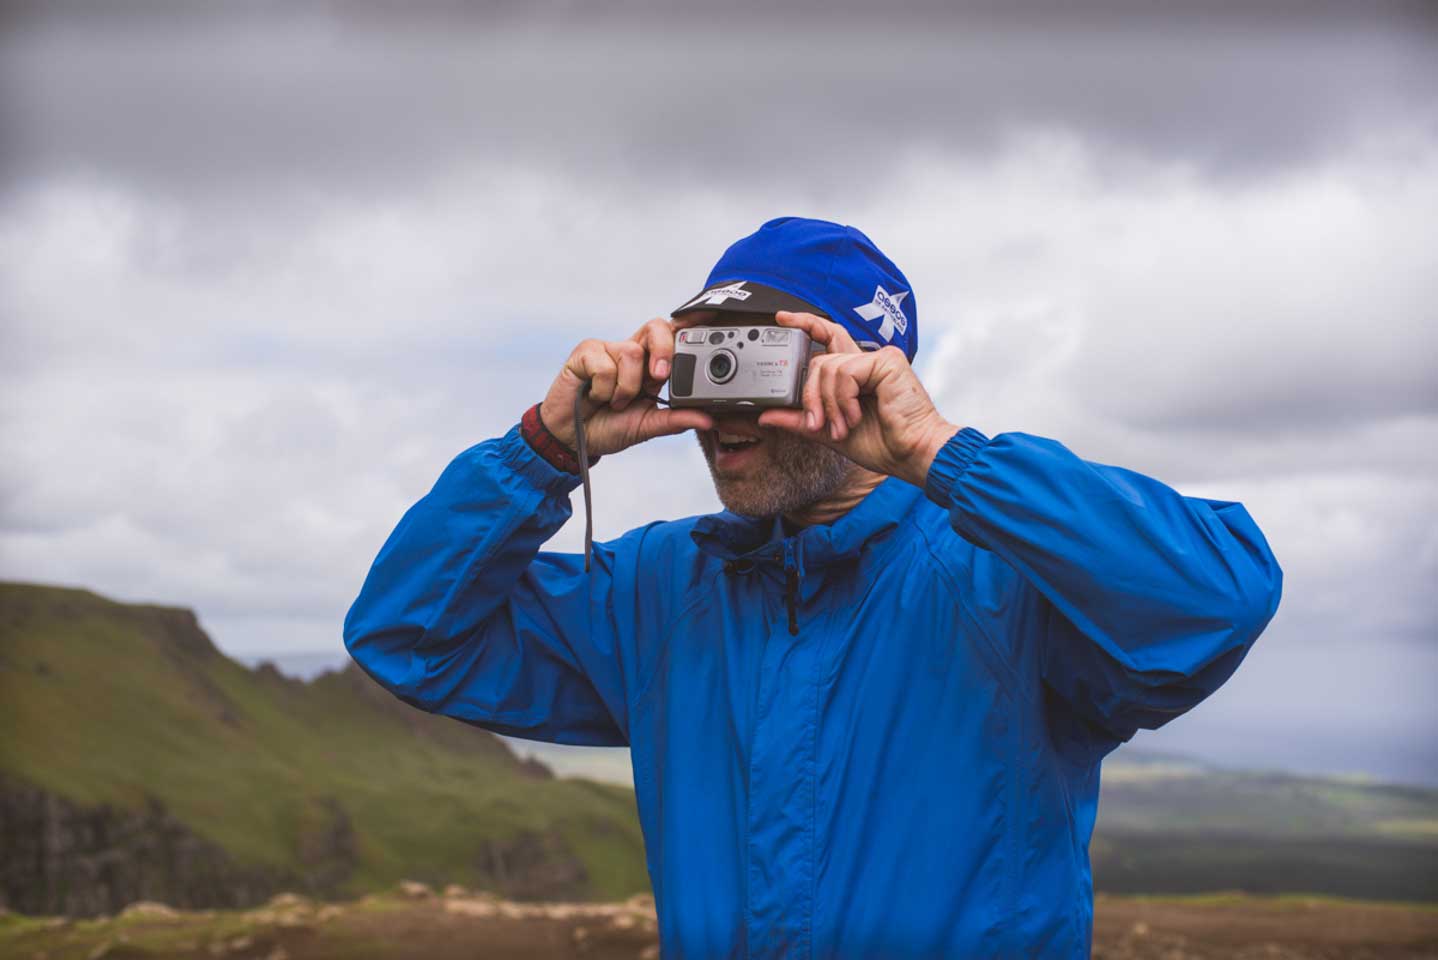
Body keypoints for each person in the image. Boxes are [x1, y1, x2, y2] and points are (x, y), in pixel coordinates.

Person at [344, 216, 1283, 958]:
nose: (725, 413)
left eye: (762, 365)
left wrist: (942, 456)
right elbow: (411, 637)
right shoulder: (663, 590)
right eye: (706, 362)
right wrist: (545, 450)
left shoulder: (1004, 575)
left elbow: (1214, 601)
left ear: (864, 374)